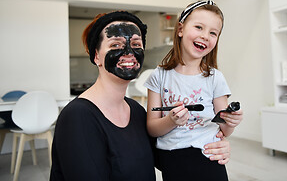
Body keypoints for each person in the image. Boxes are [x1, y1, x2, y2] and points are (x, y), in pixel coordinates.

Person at [50, 10, 232, 181]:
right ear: (96, 56)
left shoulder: (136, 111)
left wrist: (214, 146)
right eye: (116, 45)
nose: (129, 52)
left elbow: (168, 157)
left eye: (136, 44)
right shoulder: (77, 117)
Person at [145, 0, 243, 181]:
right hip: (172, 158)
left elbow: (224, 131)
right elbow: (152, 128)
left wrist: (231, 122)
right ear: (180, 29)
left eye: (213, 33)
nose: (205, 36)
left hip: (208, 156)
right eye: (199, 27)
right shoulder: (158, 76)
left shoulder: (216, 78)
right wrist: (171, 120)